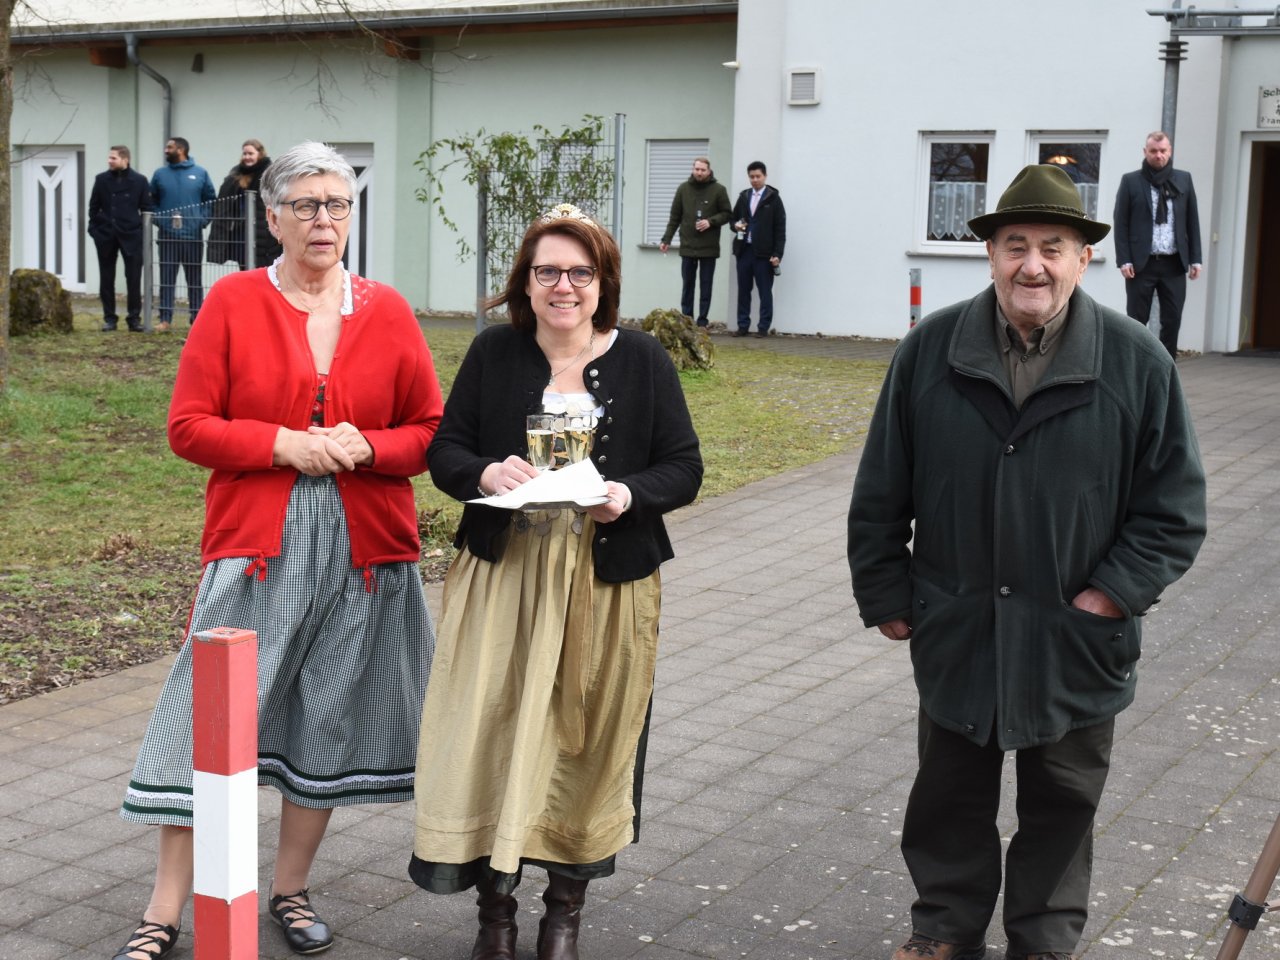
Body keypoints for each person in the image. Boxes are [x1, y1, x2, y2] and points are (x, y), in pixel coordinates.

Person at [847, 164, 1206, 960]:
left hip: (1075, 631)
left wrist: (1112, 596)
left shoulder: (1138, 360)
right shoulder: (930, 351)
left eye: (1053, 246)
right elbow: (881, 487)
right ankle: (942, 927)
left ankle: (1042, 940)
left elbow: (1174, 509)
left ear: (1085, 260)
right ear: (990, 256)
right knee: (947, 797)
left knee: (1063, 801)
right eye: (1015, 246)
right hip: (958, 619)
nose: (1032, 265)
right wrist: (884, 590)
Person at [112, 141, 443, 960]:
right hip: (259, 546)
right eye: (305, 205)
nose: (324, 220)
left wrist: (366, 448)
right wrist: (282, 445)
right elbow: (188, 427)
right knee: (207, 725)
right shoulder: (231, 302)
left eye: (337, 204)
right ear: (272, 218)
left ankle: (289, 890)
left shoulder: (390, 311)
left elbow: (429, 432)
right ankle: (163, 910)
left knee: (323, 723)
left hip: (365, 560)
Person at [409, 203, 703, 960]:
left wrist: (627, 496)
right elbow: (445, 450)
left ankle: (563, 913)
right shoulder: (494, 355)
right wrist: (482, 469)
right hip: (505, 574)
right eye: (548, 272)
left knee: (586, 737)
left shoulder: (641, 359)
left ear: (603, 282)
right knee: (493, 729)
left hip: (604, 582)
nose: (563, 286)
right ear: (526, 284)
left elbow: (684, 466)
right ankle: (495, 914)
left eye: (579, 272)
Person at [1113, 131, 1204, 358]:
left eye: (1163, 151)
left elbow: (1192, 221)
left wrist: (1196, 258)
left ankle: (1165, 366)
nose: (1159, 155)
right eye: (1154, 151)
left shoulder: (1183, 179)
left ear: (1170, 151)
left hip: (1174, 263)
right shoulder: (1131, 181)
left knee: (1172, 320)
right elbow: (1121, 222)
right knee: (1136, 320)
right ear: (1145, 152)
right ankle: (1135, 363)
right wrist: (1124, 259)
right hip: (1141, 264)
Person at [150, 137, 216, 331]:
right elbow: (150, 201)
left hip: (192, 236)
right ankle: (165, 319)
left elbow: (210, 200)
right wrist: (160, 220)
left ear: (181, 150)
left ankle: (197, 319)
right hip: (167, 236)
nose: (165, 150)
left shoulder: (200, 173)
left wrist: (201, 221)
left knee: (194, 279)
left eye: (169, 147)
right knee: (166, 279)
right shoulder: (160, 174)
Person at [658, 156, 732, 326]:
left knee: (706, 286)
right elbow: (674, 217)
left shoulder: (719, 190)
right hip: (688, 246)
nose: (699, 173)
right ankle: (687, 320)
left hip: (709, 248)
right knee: (688, 286)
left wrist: (710, 222)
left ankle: (703, 321)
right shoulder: (683, 189)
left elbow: (727, 214)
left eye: (702, 170)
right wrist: (666, 239)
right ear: (693, 169)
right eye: (696, 169)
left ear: (708, 171)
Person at [87, 145, 153, 332]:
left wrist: (139, 231)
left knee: (133, 278)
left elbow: (147, 208)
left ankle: (133, 319)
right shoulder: (101, 180)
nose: (109, 161)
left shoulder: (139, 181)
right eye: (109, 158)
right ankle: (110, 318)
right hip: (106, 235)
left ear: (125, 159)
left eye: (113, 158)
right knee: (106, 277)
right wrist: (95, 230)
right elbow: (93, 207)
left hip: (131, 235)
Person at [208, 138, 284, 270]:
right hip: (242, 234)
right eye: (245, 154)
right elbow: (224, 203)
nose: (247, 157)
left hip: (265, 236)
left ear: (259, 154)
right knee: (245, 271)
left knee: (265, 272)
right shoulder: (236, 174)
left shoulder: (270, 174)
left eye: (251, 154)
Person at [731, 160, 786, 337]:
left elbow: (780, 229)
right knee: (743, 290)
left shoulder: (774, 199)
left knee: (764, 291)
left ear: (765, 176)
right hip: (744, 251)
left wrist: (777, 254)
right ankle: (743, 325)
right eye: (751, 177)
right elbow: (733, 220)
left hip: (764, 254)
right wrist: (736, 227)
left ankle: (763, 327)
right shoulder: (744, 197)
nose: (755, 180)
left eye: (758, 176)